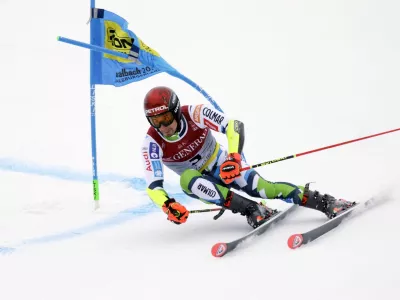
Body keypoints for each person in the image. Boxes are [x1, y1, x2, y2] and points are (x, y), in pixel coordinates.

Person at [141, 86, 353, 228]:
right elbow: (153, 187)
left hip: (224, 165)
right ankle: (252, 209)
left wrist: (234, 158)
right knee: (187, 179)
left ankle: (326, 202)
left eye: (166, 117)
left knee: (263, 188)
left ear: (176, 111)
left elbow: (233, 125)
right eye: (155, 121)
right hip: (201, 182)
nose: (163, 126)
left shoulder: (194, 113)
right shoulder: (151, 143)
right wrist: (167, 205)